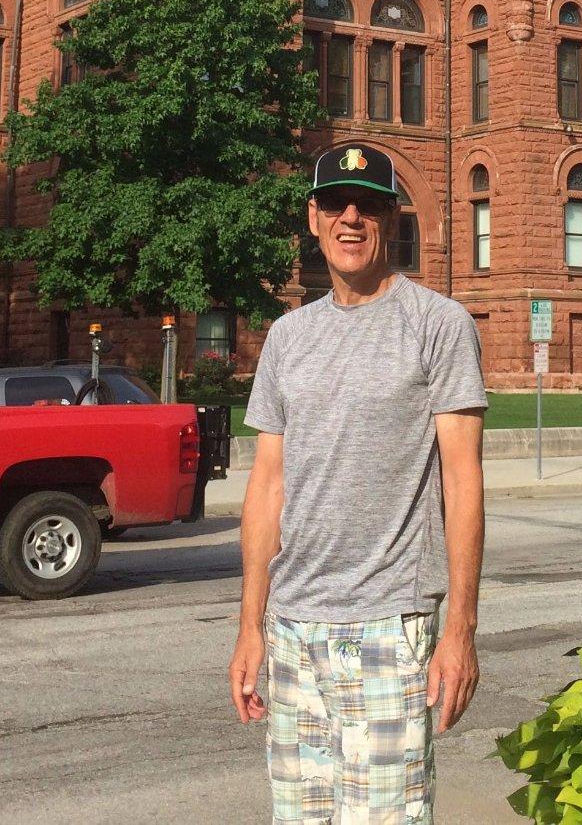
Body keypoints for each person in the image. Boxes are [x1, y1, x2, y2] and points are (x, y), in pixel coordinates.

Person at [230, 142, 487, 823]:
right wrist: (250, 625)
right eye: (337, 204)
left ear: (391, 218)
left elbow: (463, 481)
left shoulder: (439, 325)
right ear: (312, 218)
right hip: (292, 629)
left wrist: (459, 627)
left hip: (387, 626)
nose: (351, 218)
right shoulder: (288, 337)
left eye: (369, 205)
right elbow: (268, 486)